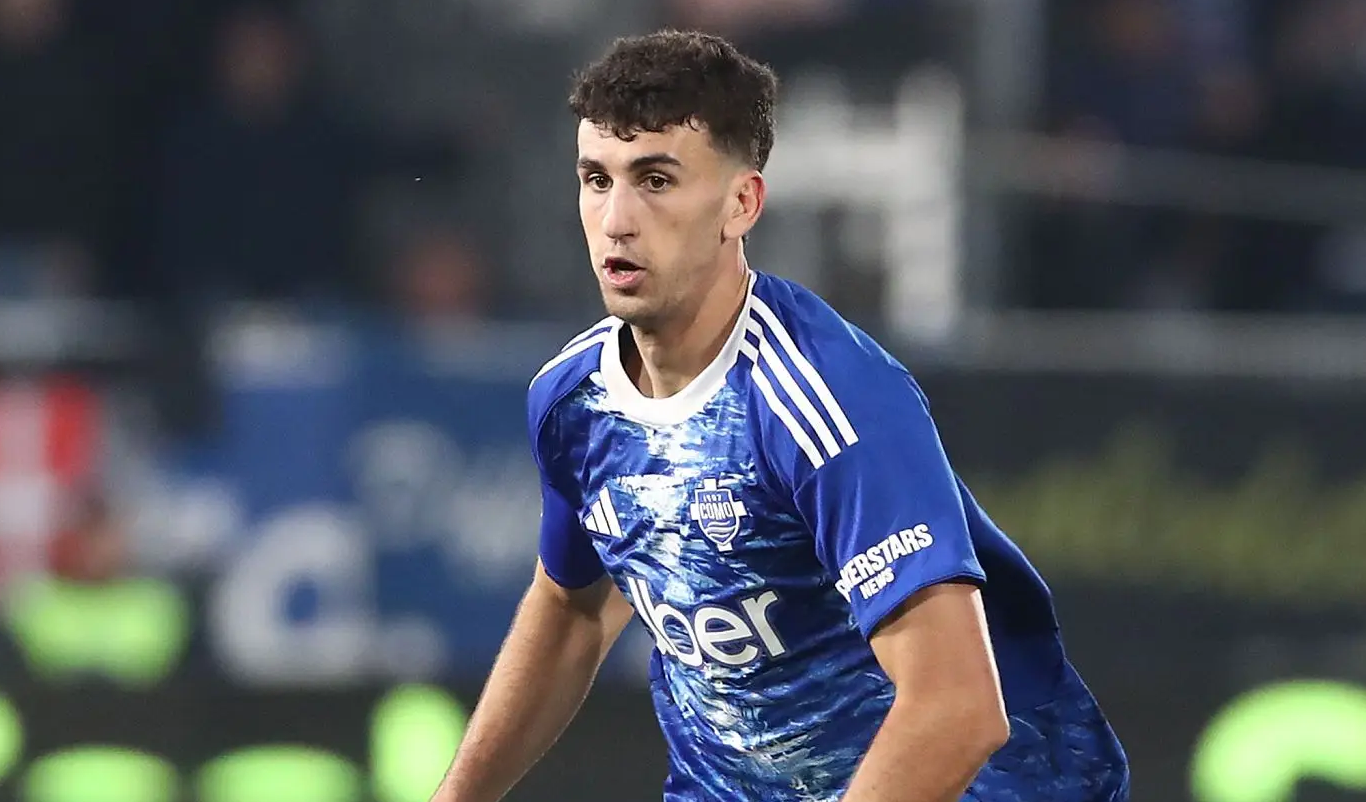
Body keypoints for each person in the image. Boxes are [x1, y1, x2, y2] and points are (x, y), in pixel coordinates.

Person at [430, 29, 1129, 802]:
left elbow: (956, 710)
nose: (617, 218)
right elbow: (572, 611)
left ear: (742, 204)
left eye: (656, 180)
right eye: (597, 179)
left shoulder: (826, 398)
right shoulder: (574, 401)